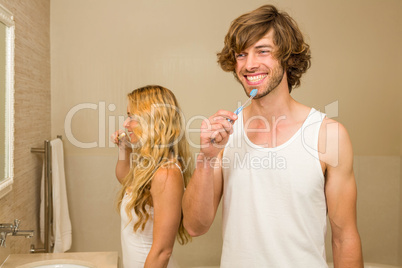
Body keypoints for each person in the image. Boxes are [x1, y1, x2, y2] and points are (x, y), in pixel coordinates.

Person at [182, 4, 363, 267]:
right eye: (241, 55)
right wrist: (206, 158)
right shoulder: (224, 137)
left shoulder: (328, 135)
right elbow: (194, 226)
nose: (249, 65)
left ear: (288, 57)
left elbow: (344, 238)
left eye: (262, 51)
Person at [112, 85, 192, 268]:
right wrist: (124, 149)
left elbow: (163, 252)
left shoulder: (167, 173)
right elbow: (125, 181)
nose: (125, 124)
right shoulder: (150, 163)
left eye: (132, 117)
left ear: (153, 121)